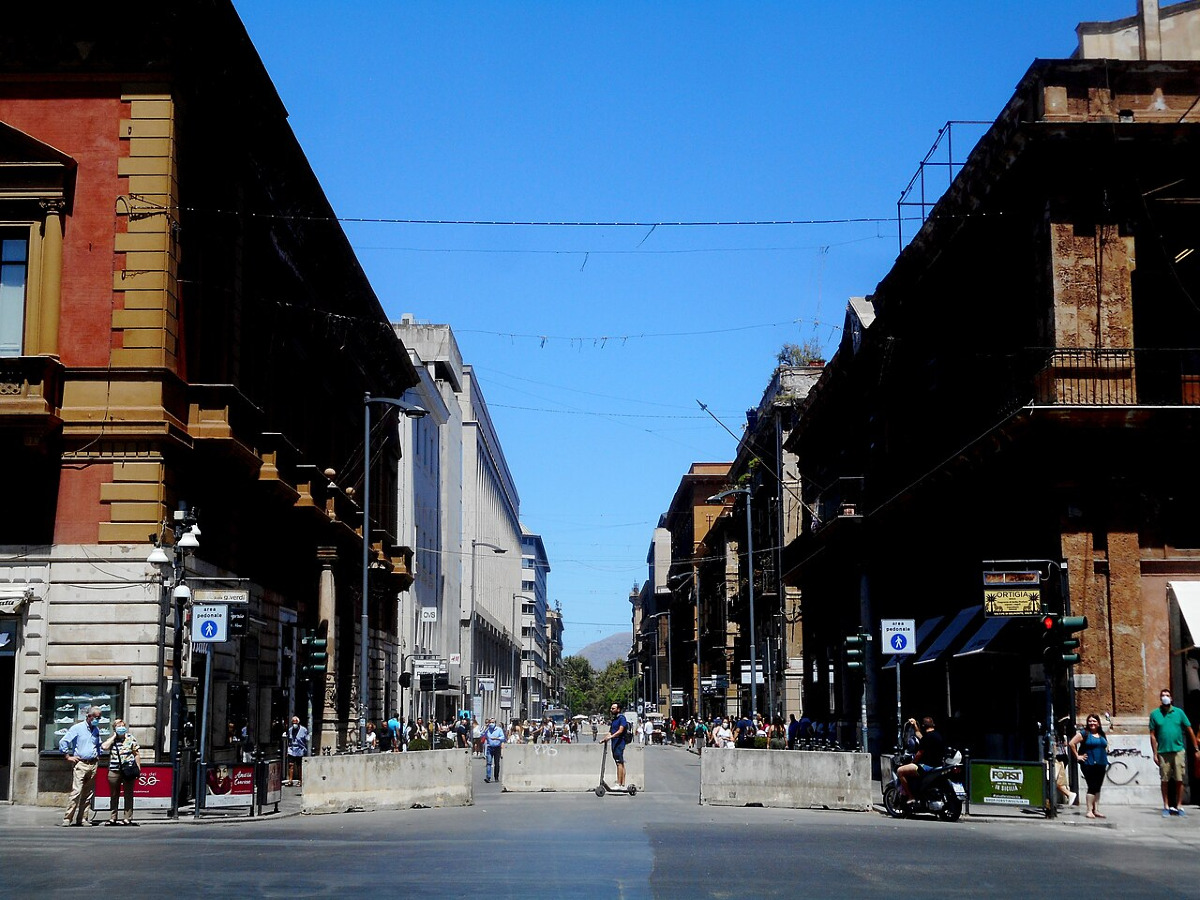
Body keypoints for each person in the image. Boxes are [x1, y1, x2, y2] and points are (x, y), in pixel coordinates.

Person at [1149, 687, 1197, 816]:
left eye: (1167, 695)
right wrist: (1154, 753)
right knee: (1164, 780)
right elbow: (1152, 735)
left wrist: (1196, 748)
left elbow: (1189, 729)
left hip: (1178, 751)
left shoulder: (1179, 712)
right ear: (1160, 698)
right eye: (1163, 695)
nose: (1165, 697)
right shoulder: (1155, 714)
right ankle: (1166, 805)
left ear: (1171, 698)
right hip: (1163, 752)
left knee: (1179, 779)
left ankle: (1179, 805)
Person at [59, 705, 103, 826]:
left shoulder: (96, 730)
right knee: (76, 792)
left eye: (99, 717)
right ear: (89, 716)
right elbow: (64, 741)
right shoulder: (77, 728)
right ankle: (68, 818)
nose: (98, 720)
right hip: (81, 763)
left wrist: (98, 754)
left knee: (88, 794)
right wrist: (68, 756)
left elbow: (98, 744)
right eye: (96, 717)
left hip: (93, 763)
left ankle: (83, 818)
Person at [101, 718, 140, 826]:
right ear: (114, 728)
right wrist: (114, 736)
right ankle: (113, 817)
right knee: (114, 794)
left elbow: (136, 753)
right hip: (114, 770)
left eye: (123, 725)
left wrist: (138, 769)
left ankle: (127, 818)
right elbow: (104, 747)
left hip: (128, 769)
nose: (121, 728)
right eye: (119, 726)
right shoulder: (112, 740)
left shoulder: (130, 738)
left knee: (128, 794)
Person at [1070, 714, 1109, 819]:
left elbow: (1105, 745)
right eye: (1090, 721)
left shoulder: (1101, 734)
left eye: (1094, 721)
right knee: (1092, 786)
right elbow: (1071, 743)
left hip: (1101, 763)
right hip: (1089, 764)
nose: (1092, 723)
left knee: (1098, 787)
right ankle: (1089, 810)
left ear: (1098, 723)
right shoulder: (1084, 733)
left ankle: (1096, 810)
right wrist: (1078, 756)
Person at [896, 716, 946, 799]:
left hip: (926, 767)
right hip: (938, 766)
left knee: (900, 771)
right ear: (933, 725)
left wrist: (913, 762)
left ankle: (910, 796)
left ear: (923, 726)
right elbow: (920, 736)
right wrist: (915, 725)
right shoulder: (938, 736)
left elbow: (919, 753)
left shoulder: (927, 738)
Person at [599, 703, 629, 788]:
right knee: (619, 763)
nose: (611, 710)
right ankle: (622, 784)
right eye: (611, 708)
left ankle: (619, 784)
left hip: (619, 742)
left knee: (619, 763)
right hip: (614, 743)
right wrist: (604, 739)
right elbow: (610, 731)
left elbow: (620, 730)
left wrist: (612, 736)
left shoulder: (622, 718)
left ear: (618, 709)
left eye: (613, 708)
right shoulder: (614, 719)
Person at [285, 716, 308, 786]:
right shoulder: (290, 730)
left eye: (296, 723)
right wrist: (287, 750)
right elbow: (289, 740)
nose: (294, 724)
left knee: (299, 766)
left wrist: (305, 749)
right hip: (292, 749)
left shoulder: (304, 730)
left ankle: (300, 780)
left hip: (300, 749)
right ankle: (290, 780)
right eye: (293, 723)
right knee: (290, 765)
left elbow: (306, 739)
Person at [482, 717, 506, 783]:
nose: (491, 724)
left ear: (495, 723)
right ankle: (488, 777)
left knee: (496, 763)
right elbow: (481, 735)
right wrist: (485, 729)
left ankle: (496, 777)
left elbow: (503, 738)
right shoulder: (487, 729)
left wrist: (496, 738)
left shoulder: (499, 729)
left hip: (497, 747)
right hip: (489, 747)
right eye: (490, 722)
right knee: (489, 763)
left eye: (493, 722)